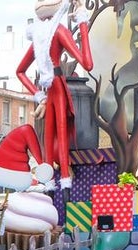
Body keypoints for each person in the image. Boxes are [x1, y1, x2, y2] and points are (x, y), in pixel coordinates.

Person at [15, 0, 93, 191]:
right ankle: (52, 184)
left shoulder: (57, 31)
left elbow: (87, 64)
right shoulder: (41, 35)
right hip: (50, 90)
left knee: (56, 134)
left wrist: (82, 21)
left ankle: (62, 180)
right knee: (48, 138)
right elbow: (20, 71)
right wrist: (39, 96)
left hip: (56, 87)